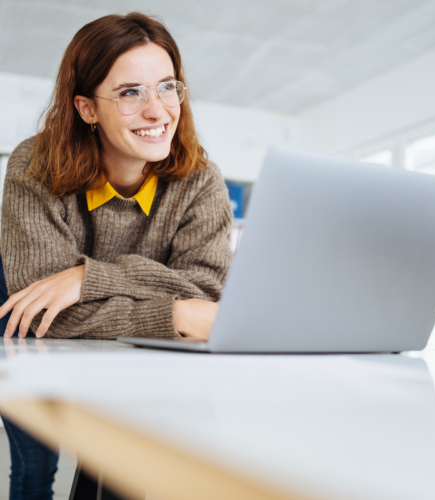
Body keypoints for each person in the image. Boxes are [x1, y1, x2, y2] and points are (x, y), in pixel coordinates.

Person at [0, 12, 233, 500]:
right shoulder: (34, 165)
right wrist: (175, 310)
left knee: (119, 455)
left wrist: (88, 280)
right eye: (130, 93)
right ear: (87, 108)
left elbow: (208, 297)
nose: (158, 111)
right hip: (31, 338)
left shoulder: (201, 180)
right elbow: (48, 319)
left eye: (167, 87)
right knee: (37, 463)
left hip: (128, 351)